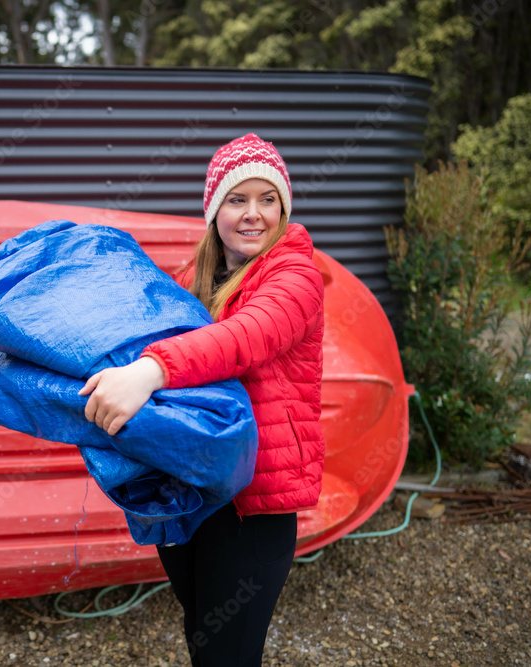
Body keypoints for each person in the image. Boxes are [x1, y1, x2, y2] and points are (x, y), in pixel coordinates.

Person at [79, 133, 326, 666]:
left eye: (268, 199)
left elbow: (244, 338)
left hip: (251, 507)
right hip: (190, 492)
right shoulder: (191, 278)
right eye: (238, 199)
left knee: (226, 656)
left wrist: (151, 369)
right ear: (215, 210)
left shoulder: (296, 276)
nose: (254, 214)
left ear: (284, 207)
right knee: (203, 640)